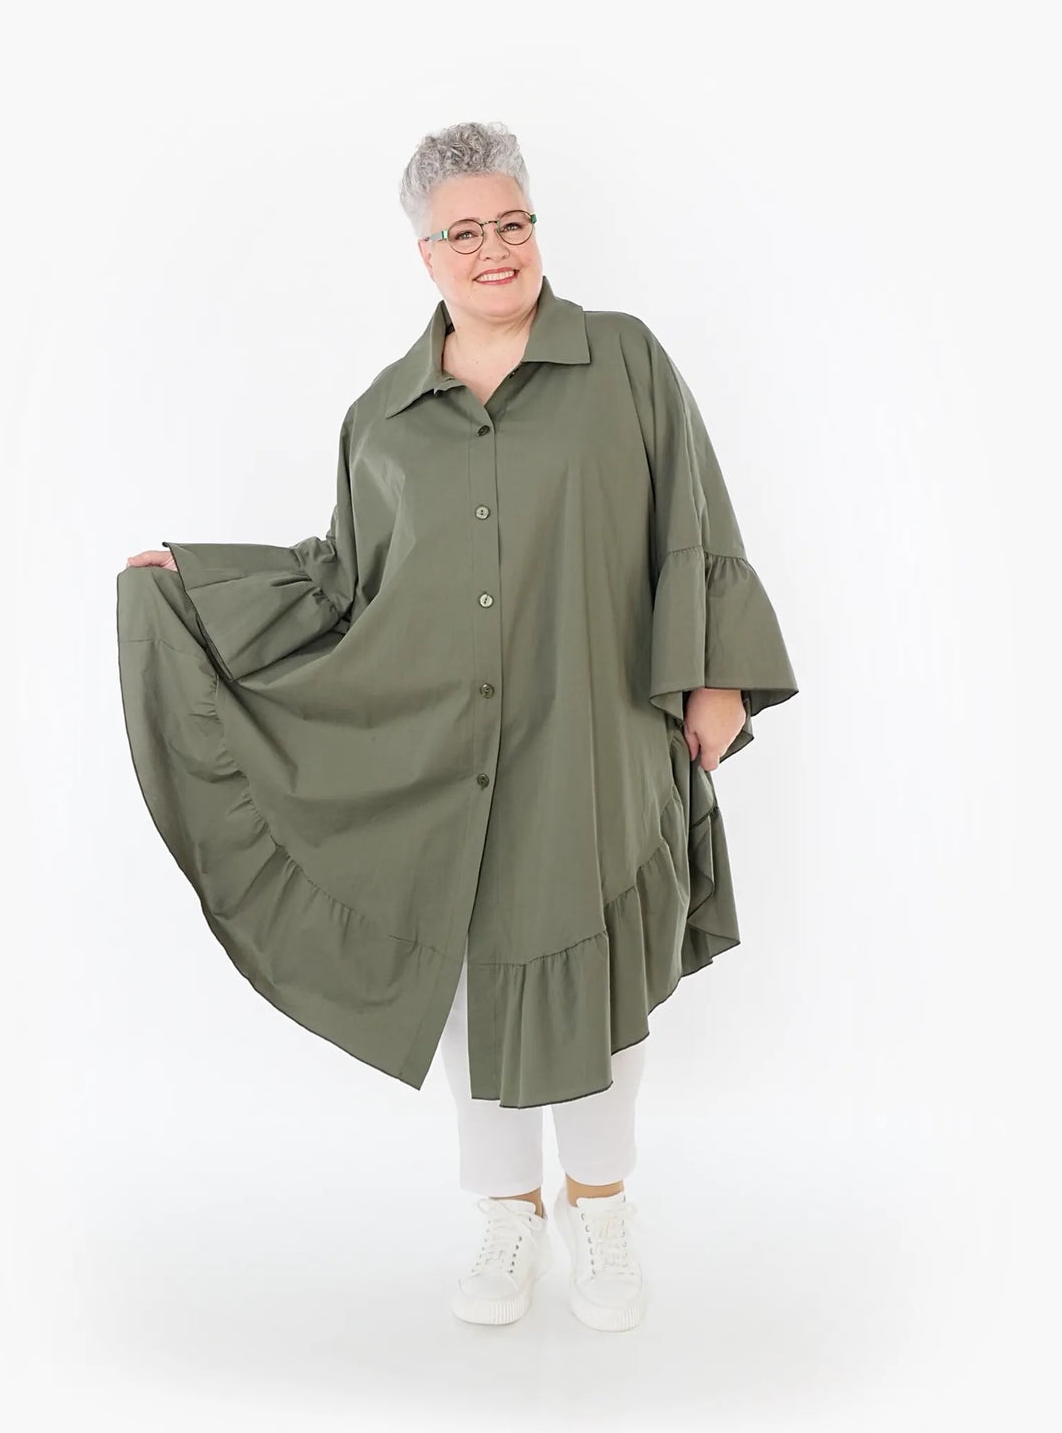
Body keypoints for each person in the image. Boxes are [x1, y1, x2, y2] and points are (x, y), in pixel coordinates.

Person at [118, 121, 798, 1332]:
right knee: (474, 996)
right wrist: (197, 582)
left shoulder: (624, 360)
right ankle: (507, 1213)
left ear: (535, 226)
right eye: (465, 231)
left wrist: (718, 680)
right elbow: (341, 582)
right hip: (443, 757)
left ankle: (601, 1207)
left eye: (513, 222)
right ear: (424, 252)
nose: (496, 249)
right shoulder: (381, 417)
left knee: (598, 972)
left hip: (594, 733)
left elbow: (692, 519)